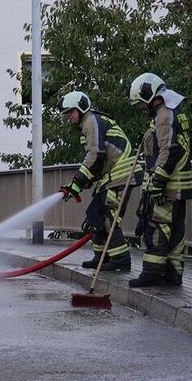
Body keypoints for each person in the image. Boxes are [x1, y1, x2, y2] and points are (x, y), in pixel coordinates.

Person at [57, 91, 142, 272]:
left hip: (122, 173)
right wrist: (79, 184)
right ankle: (101, 257)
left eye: (70, 112)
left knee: (107, 215)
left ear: (80, 109)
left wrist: (78, 180)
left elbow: (96, 155)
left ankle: (120, 259)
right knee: (94, 215)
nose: (68, 117)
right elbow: (97, 162)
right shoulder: (89, 124)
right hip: (113, 175)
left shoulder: (91, 121)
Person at [127, 73, 192, 287]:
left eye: (140, 103)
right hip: (179, 185)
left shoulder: (164, 114)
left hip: (168, 186)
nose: (140, 107)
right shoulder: (172, 111)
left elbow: (168, 150)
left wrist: (157, 182)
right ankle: (173, 275)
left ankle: (152, 274)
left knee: (156, 228)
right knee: (175, 232)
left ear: (149, 95)